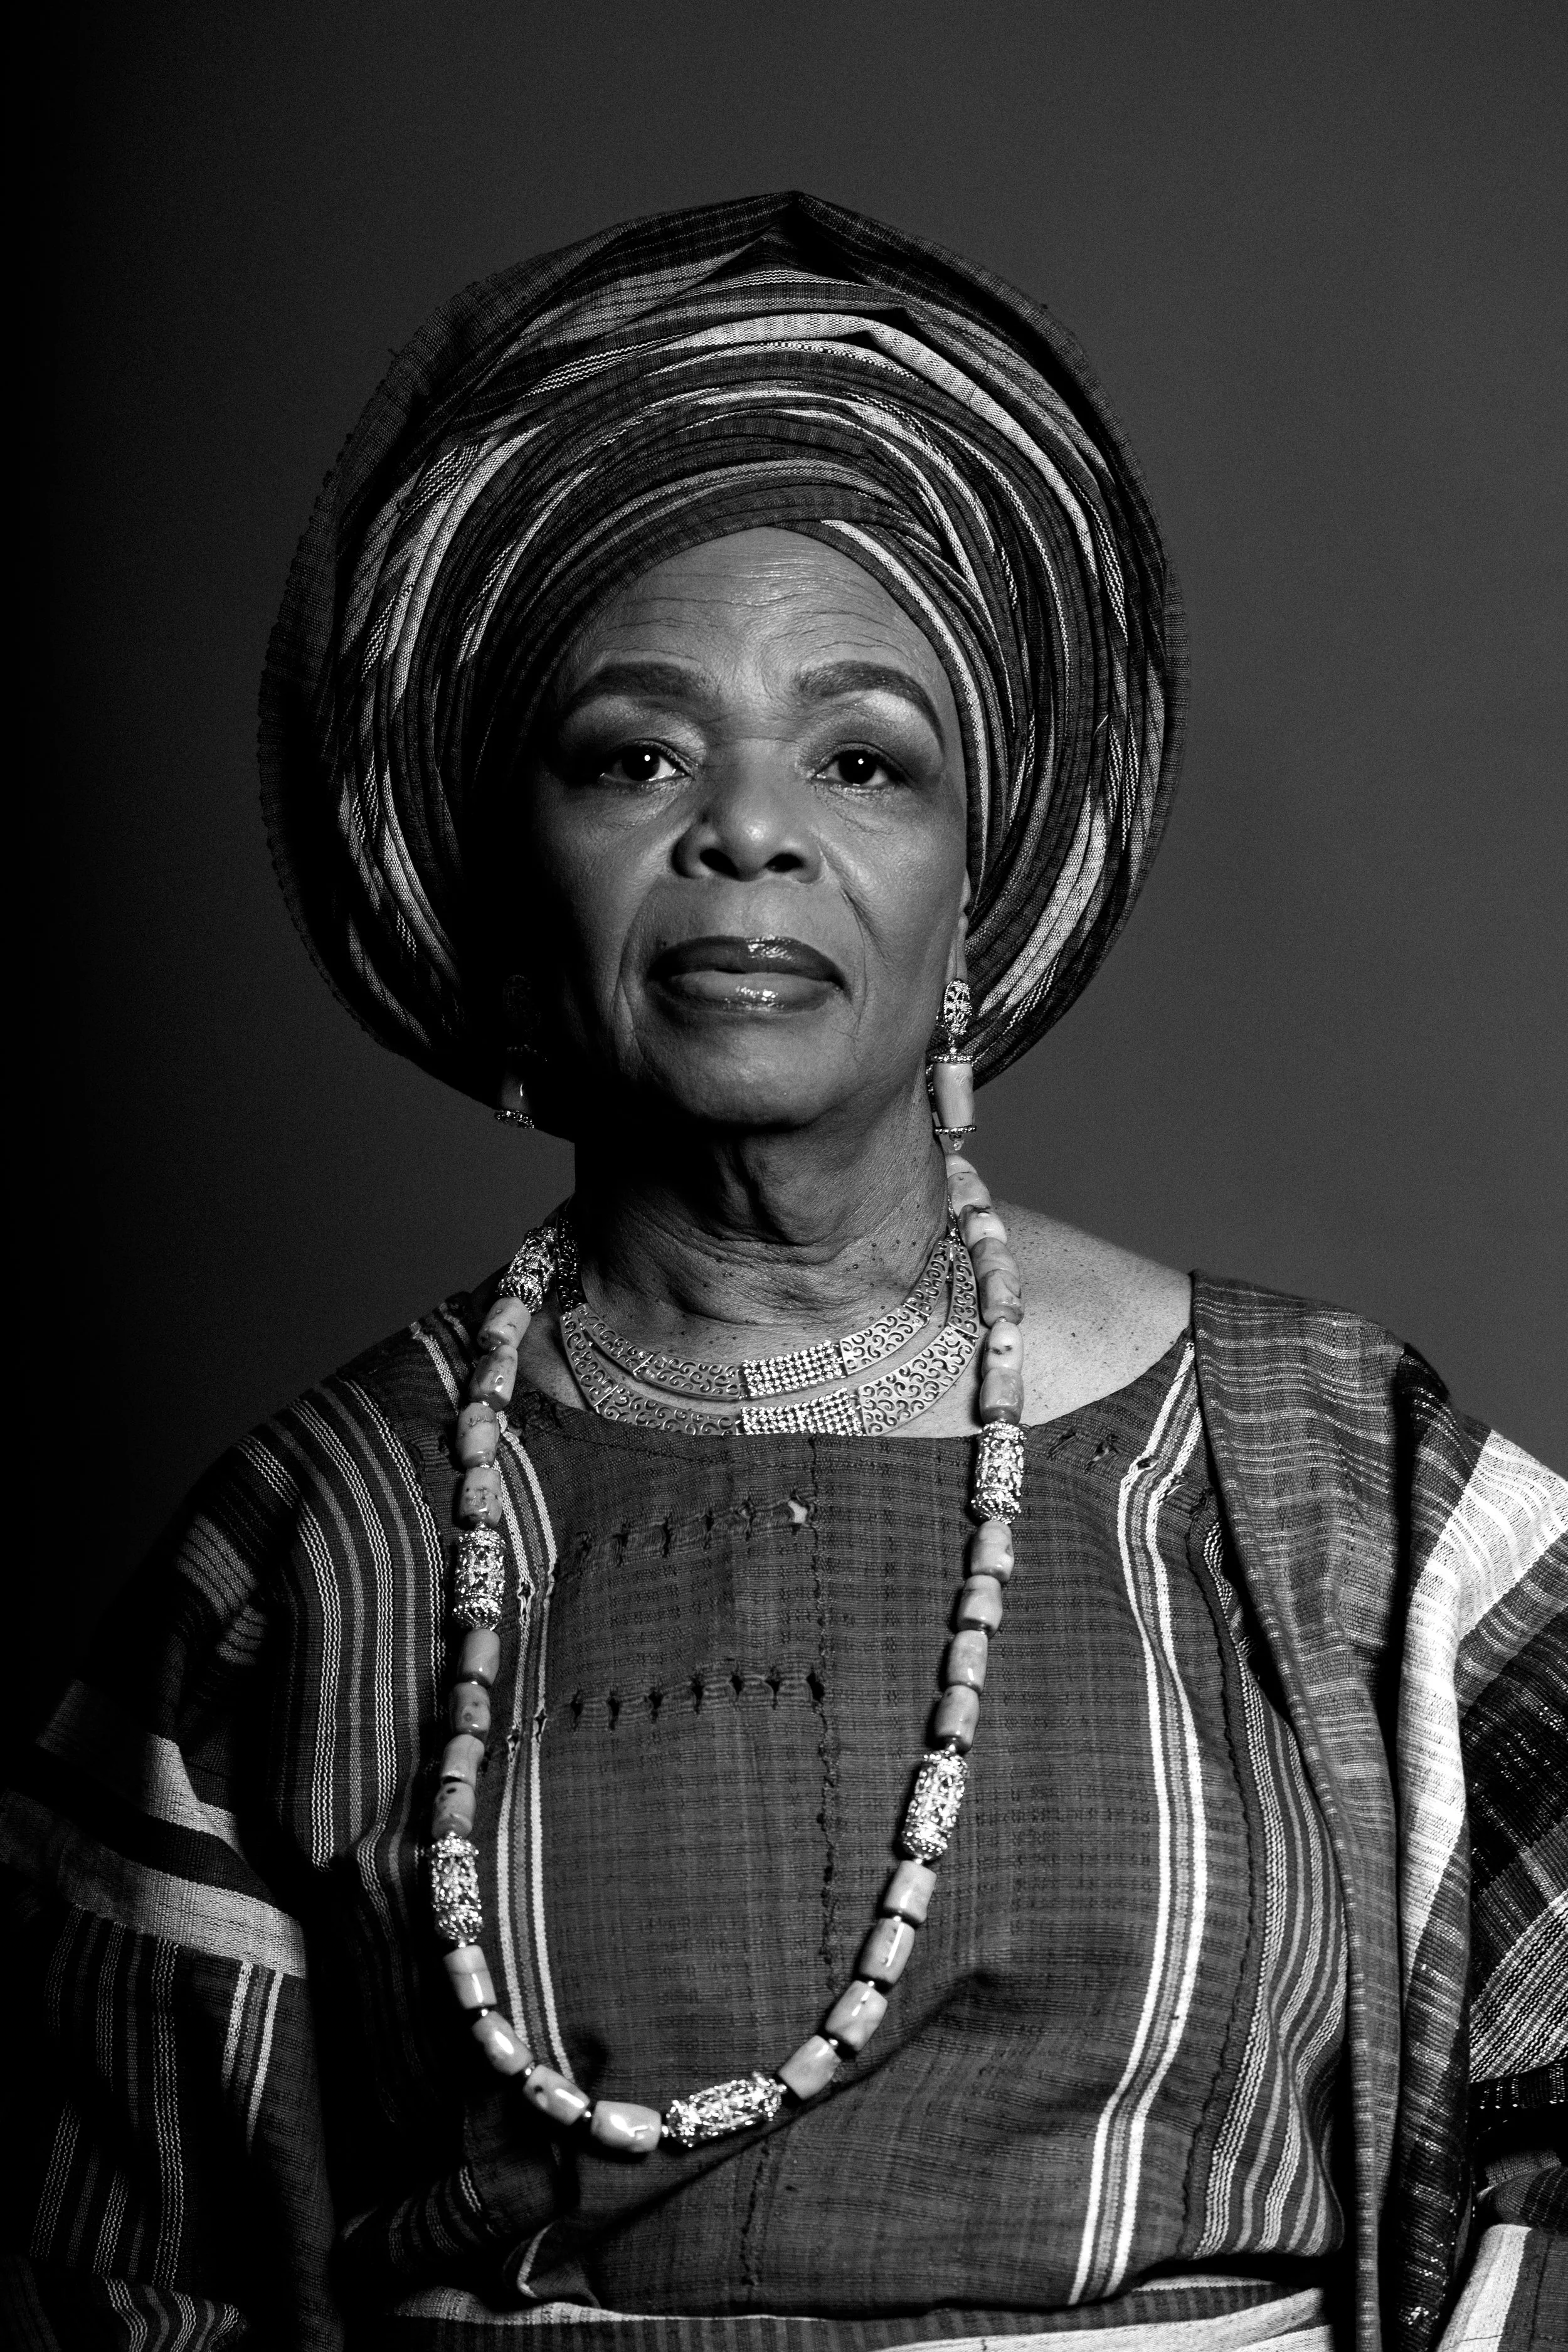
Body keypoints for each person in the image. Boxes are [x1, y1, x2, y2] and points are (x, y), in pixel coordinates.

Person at [3, 192, 1562, 2352]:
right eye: (635, 753)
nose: (749, 827)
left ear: (972, 880)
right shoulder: (309, 1560)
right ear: (507, 874)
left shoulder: (1330, 1487)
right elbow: (123, 2275)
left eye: (861, 757)